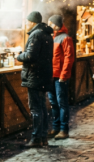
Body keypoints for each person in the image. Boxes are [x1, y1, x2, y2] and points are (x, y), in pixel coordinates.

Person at [17, 11, 54, 148]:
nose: (26, 24)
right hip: (43, 75)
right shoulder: (46, 34)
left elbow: (31, 56)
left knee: (36, 109)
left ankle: (37, 138)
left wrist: (19, 56)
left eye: (27, 21)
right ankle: (43, 137)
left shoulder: (36, 34)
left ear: (32, 22)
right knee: (42, 107)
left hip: (35, 75)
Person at [47, 15, 75, 140]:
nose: (48, 25)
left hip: (60, 77)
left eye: (50, 23)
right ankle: (56, 127)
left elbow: (69, 58)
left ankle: (64, 129)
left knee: (61, 103)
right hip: (52, 75)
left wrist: (64, 75)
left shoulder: (65, 38)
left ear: (56, 24)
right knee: (54, 103)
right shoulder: (52, 37)